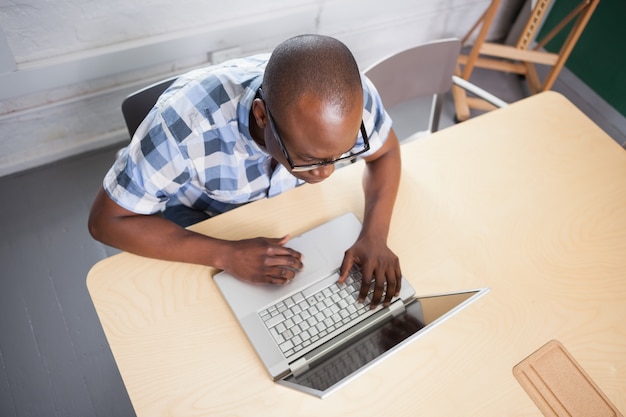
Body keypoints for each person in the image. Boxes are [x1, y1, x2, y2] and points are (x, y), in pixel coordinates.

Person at [88, 34, 402, 308]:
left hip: (278, 205)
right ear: (261, 115)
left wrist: (375, 235)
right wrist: (225, 255)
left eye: (342, 154)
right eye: (310, 158)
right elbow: (106, 222)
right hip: (199, 212)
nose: (327, 172)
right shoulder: (183, 129)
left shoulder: (350, 96)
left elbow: (385, 152)